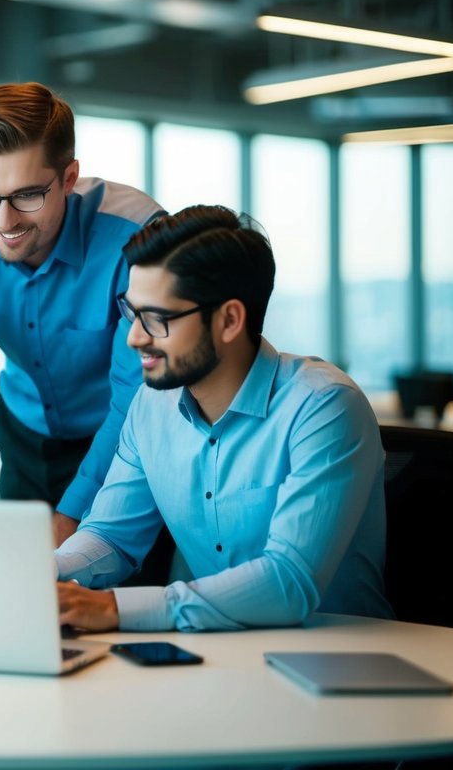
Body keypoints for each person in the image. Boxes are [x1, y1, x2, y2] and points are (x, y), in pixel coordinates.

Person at [55, 205, 393, 632]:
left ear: (230, 320)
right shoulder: (150, 407)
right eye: (131, 312)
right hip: (215, 655)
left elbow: (288, 581)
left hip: (344, 664)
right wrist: (42, 577)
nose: (134, 337)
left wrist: (115, 610)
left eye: (157, 319)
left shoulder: (324, 406)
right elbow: (110, 536)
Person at [0, 82, 164, 545]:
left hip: (124, 444)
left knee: (109, 602)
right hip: (23, 434)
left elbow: (134, 396)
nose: (4, 220)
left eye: (27, 195)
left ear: (69, 178)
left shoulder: (139, 238)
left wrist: (72, 515)